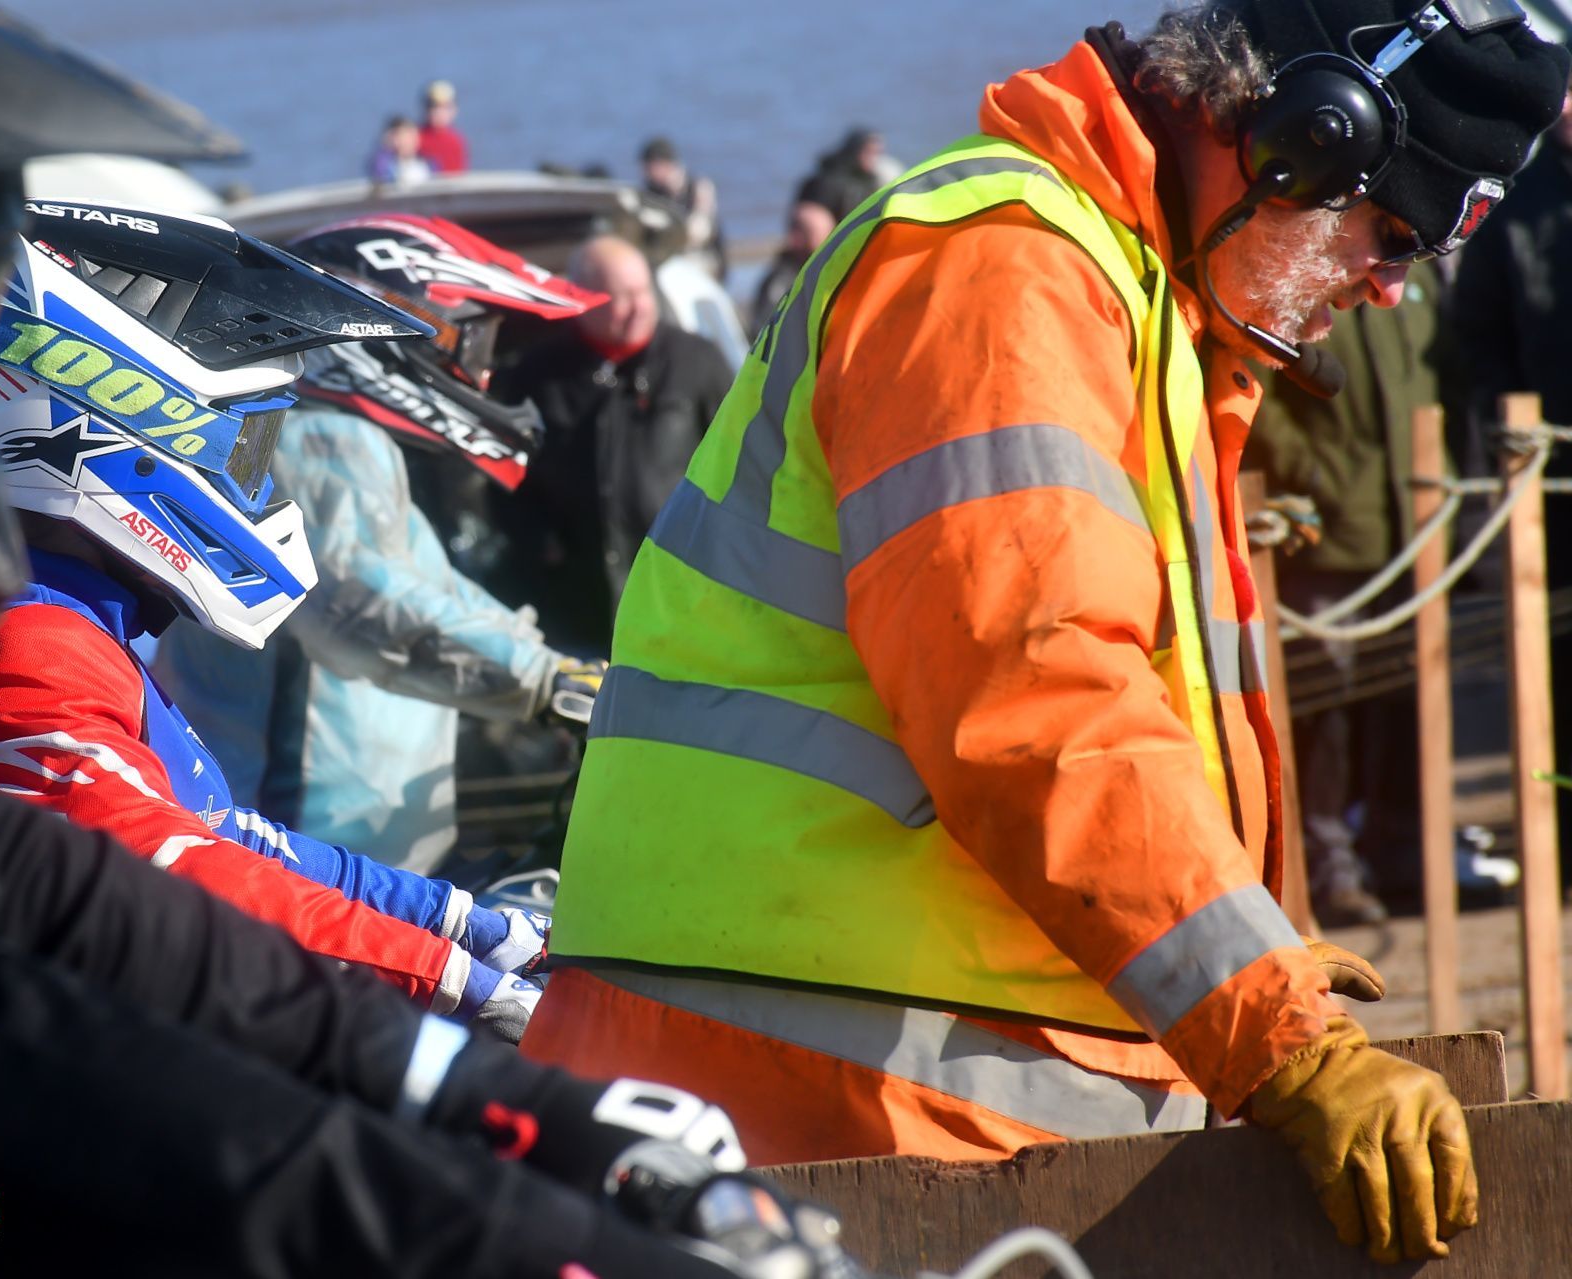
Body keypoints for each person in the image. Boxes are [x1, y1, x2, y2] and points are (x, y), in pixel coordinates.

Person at [0, 6, 848, 1278]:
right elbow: (111, 896)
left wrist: (461, 950)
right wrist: (466, 1037)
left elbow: (176, 857)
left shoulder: (70, 634)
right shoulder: (34, 645)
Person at [524, 0, 1566, 1265]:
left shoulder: (1121, 291)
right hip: (822, 1092)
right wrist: (1274, 1029)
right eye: (1392, 229)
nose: (1392, 285)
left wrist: (1235, 928)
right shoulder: (1003, 267)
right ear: (1298, 137)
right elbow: (1035, 692)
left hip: (865, 1075)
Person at [0, 205, 551, 1038]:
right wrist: (456, 986)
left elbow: (236, 837)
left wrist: (467, 924)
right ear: (131, 425)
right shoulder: (27, 642)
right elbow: (174, 876)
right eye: (249, 445)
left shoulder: (66, 619)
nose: (258, 476)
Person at [152, 214, 611, 872]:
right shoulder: (316, 440)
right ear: (391, 323)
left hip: (335, 853)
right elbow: (360, 601)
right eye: (472, 344)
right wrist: (545, 681)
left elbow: (436, 592)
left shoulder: (317, 438)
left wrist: (562, 667)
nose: (478, 373)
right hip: (295, 854)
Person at [1248, 261, 1447, 924]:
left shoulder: (1410, 281)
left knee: (1404, 698)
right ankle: (1329, 867)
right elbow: (1261, 384)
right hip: (1328, 527)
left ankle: (1402, 854)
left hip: (1409, 521)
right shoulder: (1313, 270)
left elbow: (1444, 369)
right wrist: (1310, 472)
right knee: (1323, 705)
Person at [483, 234, 733, 654]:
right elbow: (504, 473)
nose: (638, 307)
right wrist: (543, 551)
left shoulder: (696, 361)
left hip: (679, 588)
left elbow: (740, 460)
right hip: (576, 600)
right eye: (622, 297)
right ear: (586, 299)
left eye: (642, 293)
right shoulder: (537, 373)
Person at [1443, 73, 1572, 885]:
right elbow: (1476, 342)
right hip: (1551, 476)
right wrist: (1504, 439)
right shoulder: (1515, 209)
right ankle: (1560, 848)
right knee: (1556, 665)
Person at [749, 196, 836, 336]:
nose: (828, 244)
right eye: (820, 236)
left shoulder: (826, 273)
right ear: (797, 238)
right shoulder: (781, 282)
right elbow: (762, 330)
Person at [641, 135, 726, 278]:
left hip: (701, 258)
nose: (649, 173)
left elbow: (699, 231)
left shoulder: (697, 187)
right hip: (667, 261)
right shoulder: (649, 194)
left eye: (653, 166)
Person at [418, 78, 471, 175]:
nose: (439, 112)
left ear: (454, 110)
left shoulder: (457, 141)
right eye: (433, 106)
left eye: (446, 107)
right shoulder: (414, 137)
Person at [369, 114, 432, 186]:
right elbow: (378, 173)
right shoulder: (386, 165)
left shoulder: (429, 164)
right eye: (401, 137)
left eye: (410, 136)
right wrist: (386, 147)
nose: (406, 142)